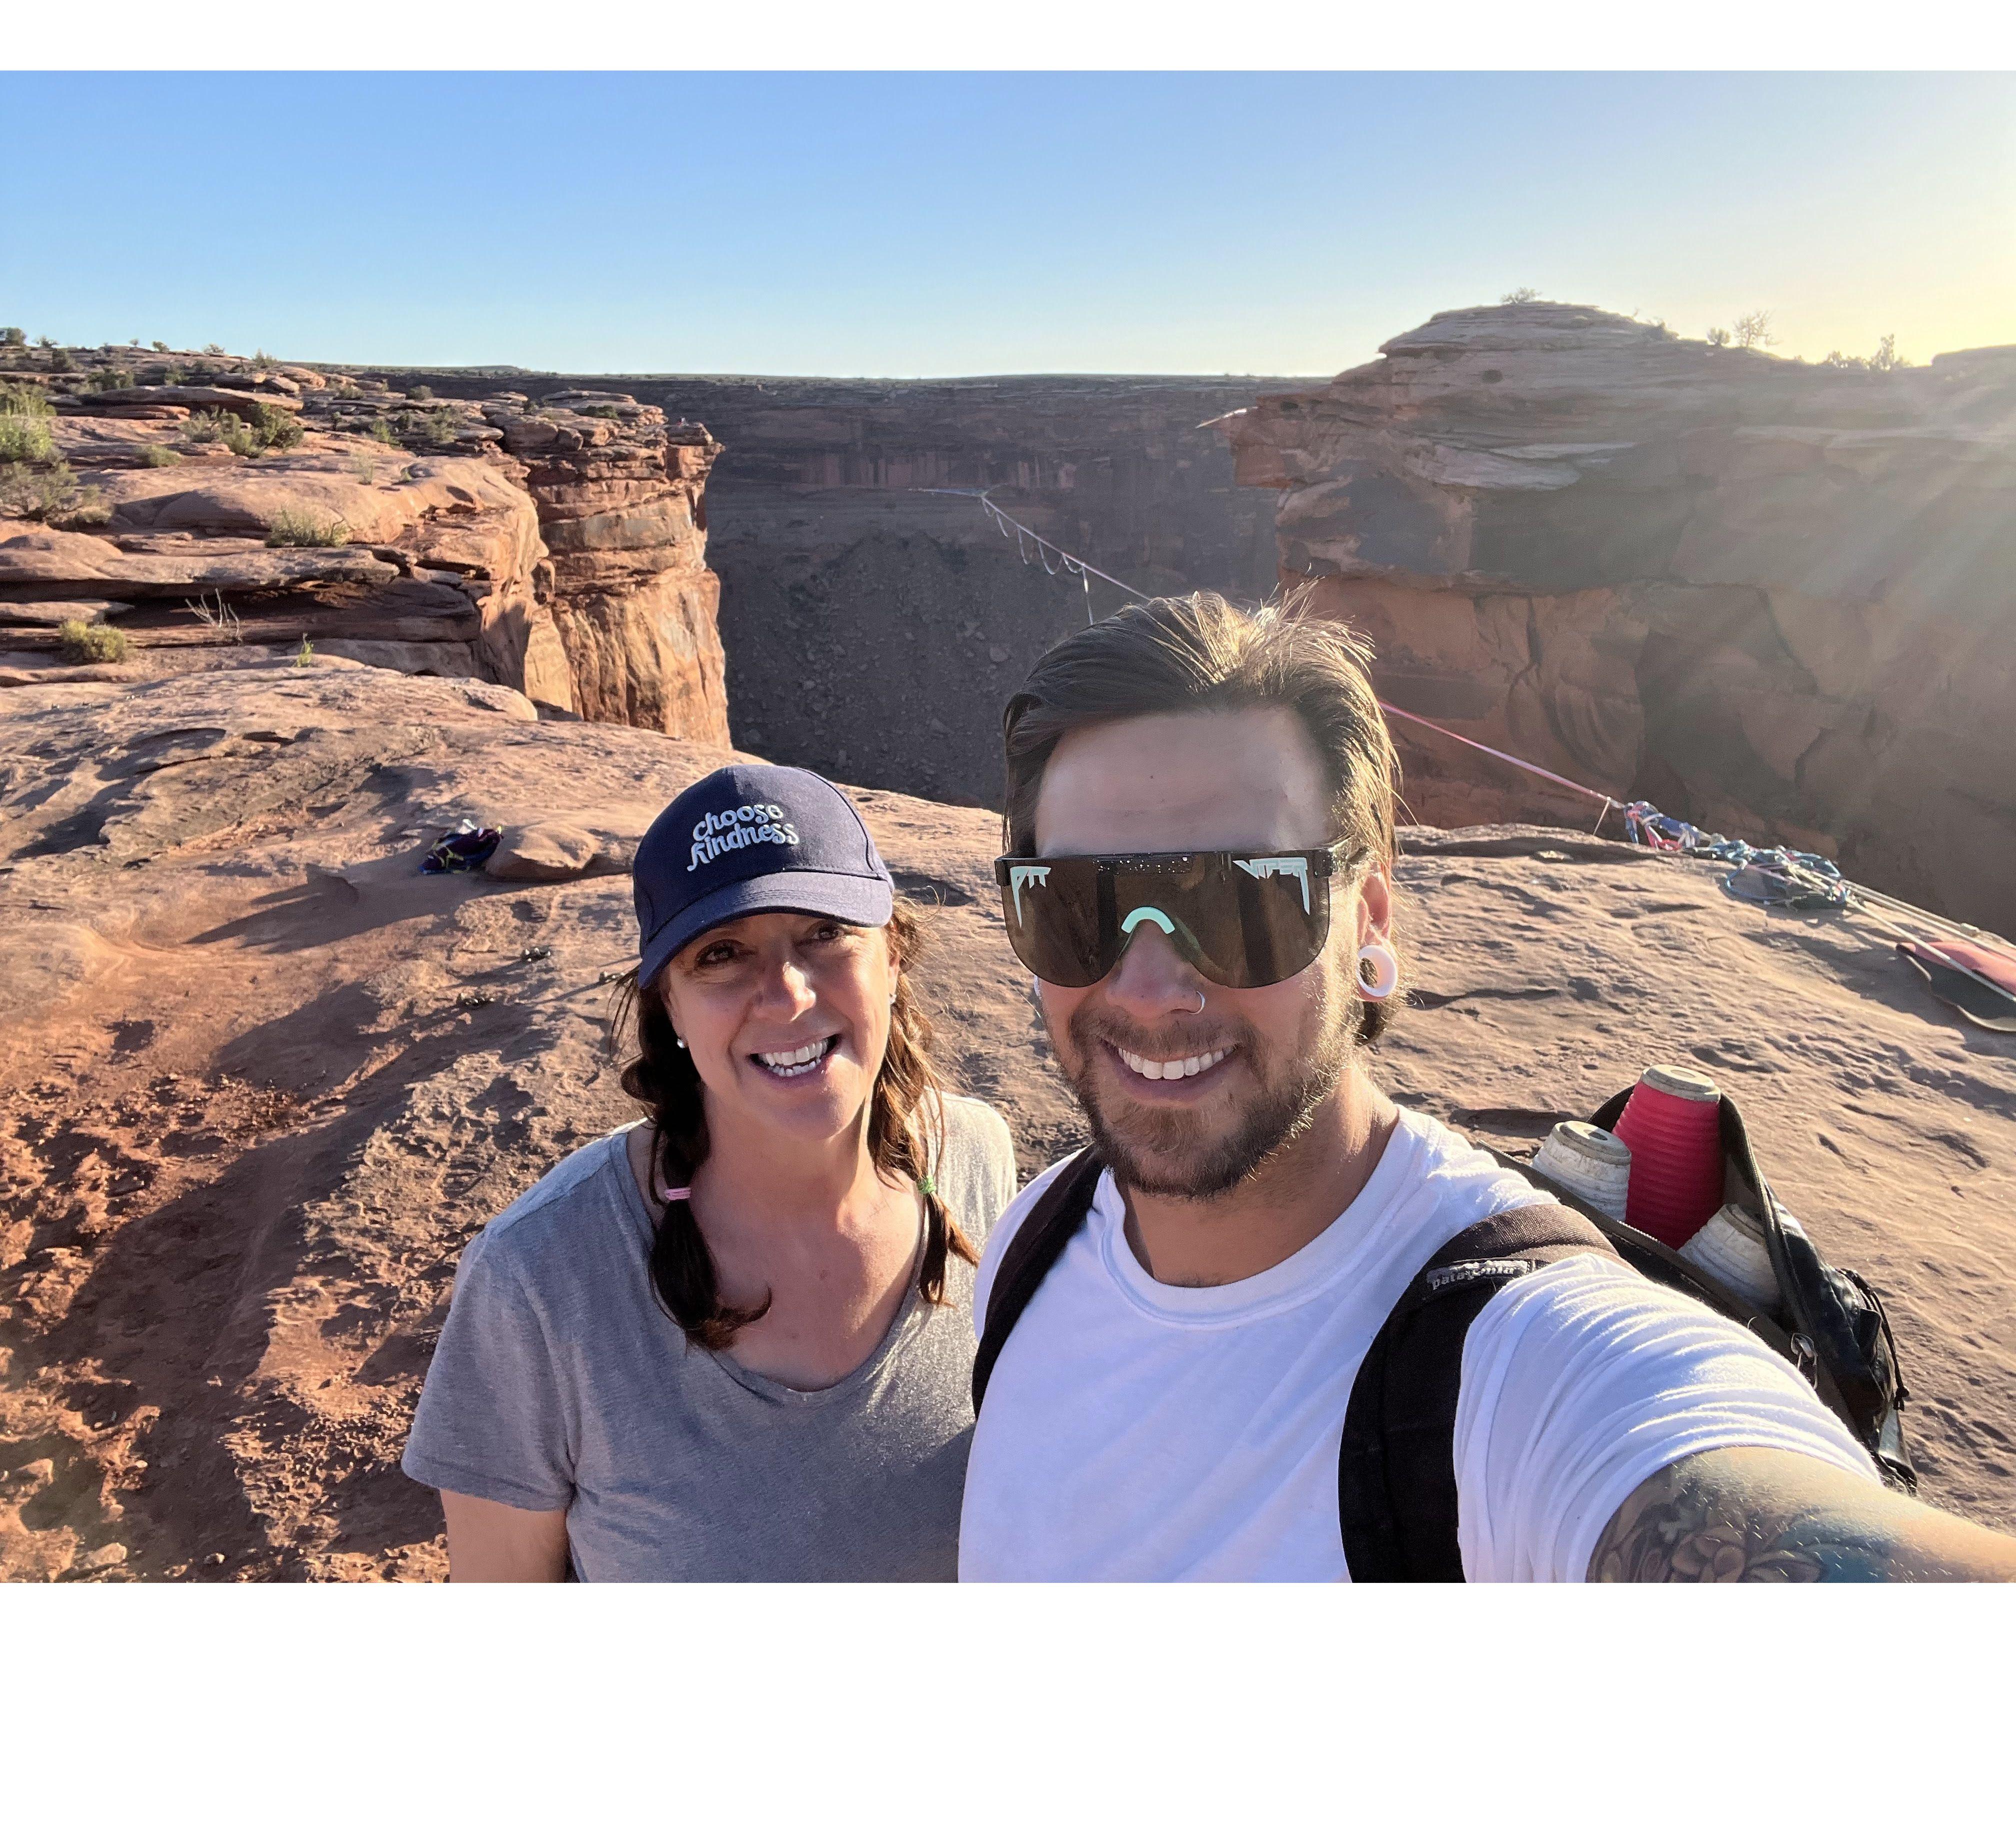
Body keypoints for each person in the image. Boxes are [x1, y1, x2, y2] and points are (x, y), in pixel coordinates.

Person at [960, 592, 2016, 1581]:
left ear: (1369, 918)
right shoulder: (1032, 1244)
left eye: (1244, 901)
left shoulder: (1520, 1362)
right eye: (1074, 905)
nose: (1148, 988)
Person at [402, 764, 1016, 1580]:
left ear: (893, 957)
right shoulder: (541, 1279)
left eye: (824, 933)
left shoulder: (975, 1159)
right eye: (722, 955)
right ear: (671, 1009)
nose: (787, 994)